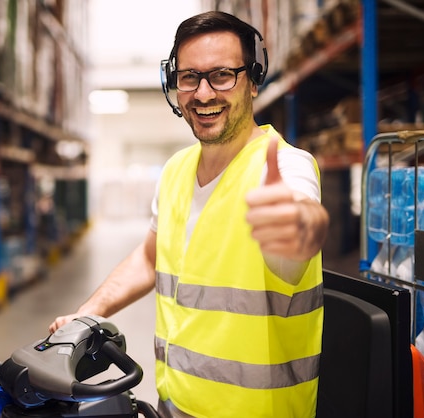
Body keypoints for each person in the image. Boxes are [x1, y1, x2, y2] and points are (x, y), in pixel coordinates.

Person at [50, 10, 329, 418]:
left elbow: (298, 235)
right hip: (174, 403)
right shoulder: (177, 170)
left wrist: (296, 229)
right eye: (189, 77)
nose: (202, 94)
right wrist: (87, 313)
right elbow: (150, 256)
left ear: (253, 81)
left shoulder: (287, 166)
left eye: (221, 75)